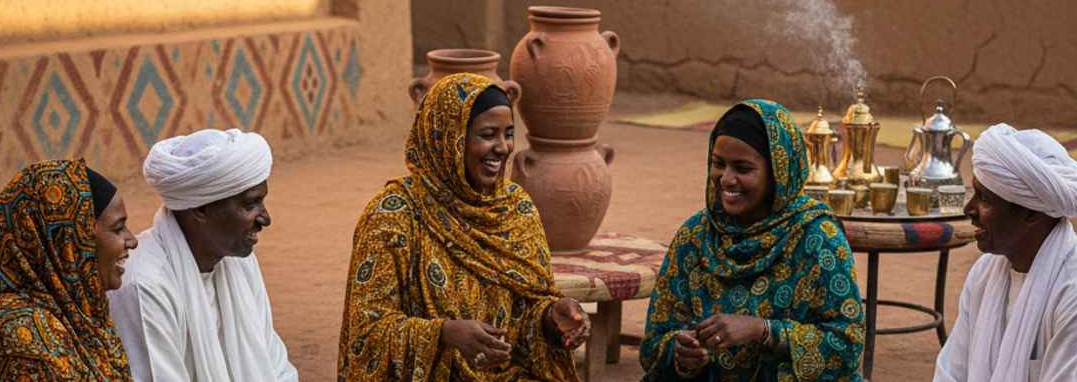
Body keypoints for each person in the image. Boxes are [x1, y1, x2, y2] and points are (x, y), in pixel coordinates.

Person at [337, 73, 589, 381]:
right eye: (487, 135)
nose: (503, 147)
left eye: (508, 133)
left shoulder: (514, 208)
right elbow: (367, 332)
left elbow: (527, 314)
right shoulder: (393, 215)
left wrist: (552, 318)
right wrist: (444, 333)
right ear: (450, 138)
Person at [640, 100, 865, 381]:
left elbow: (847, 345)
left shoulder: (818, 239)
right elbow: (653, 342)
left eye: (743, 168)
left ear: (778, 174)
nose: (726, 179)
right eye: (718, 164)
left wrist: (763, 330)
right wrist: (682, 354)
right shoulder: (696, 236)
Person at [108, 128, 298, 381]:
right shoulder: (144, 285)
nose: (265, 218)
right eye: (250, 204)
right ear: (199, 209)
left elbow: (275, 366)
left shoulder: (238, 261)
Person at [933, 123, 1077, 382]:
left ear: (1031, 213)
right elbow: (951, 372)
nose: (969, 209)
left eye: (985, 199)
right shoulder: (985, 272)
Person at [0, 159, 138, 380]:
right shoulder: (20, 337)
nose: (132, 240)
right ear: (66, 240)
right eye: (118, 228)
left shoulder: (84, 317)